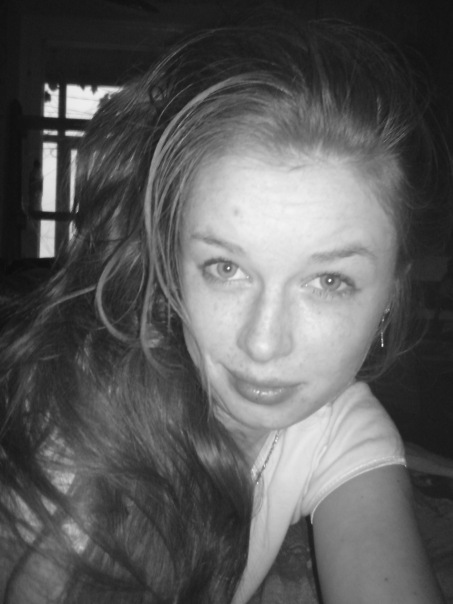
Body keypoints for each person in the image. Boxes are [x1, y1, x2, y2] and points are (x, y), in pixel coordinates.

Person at [0, 13, 450, 604]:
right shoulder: (69, 416)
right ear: (170, 261)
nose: (263, 344)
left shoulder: (338, 424)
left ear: (391, 292)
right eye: (226, 269)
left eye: (329, 281)